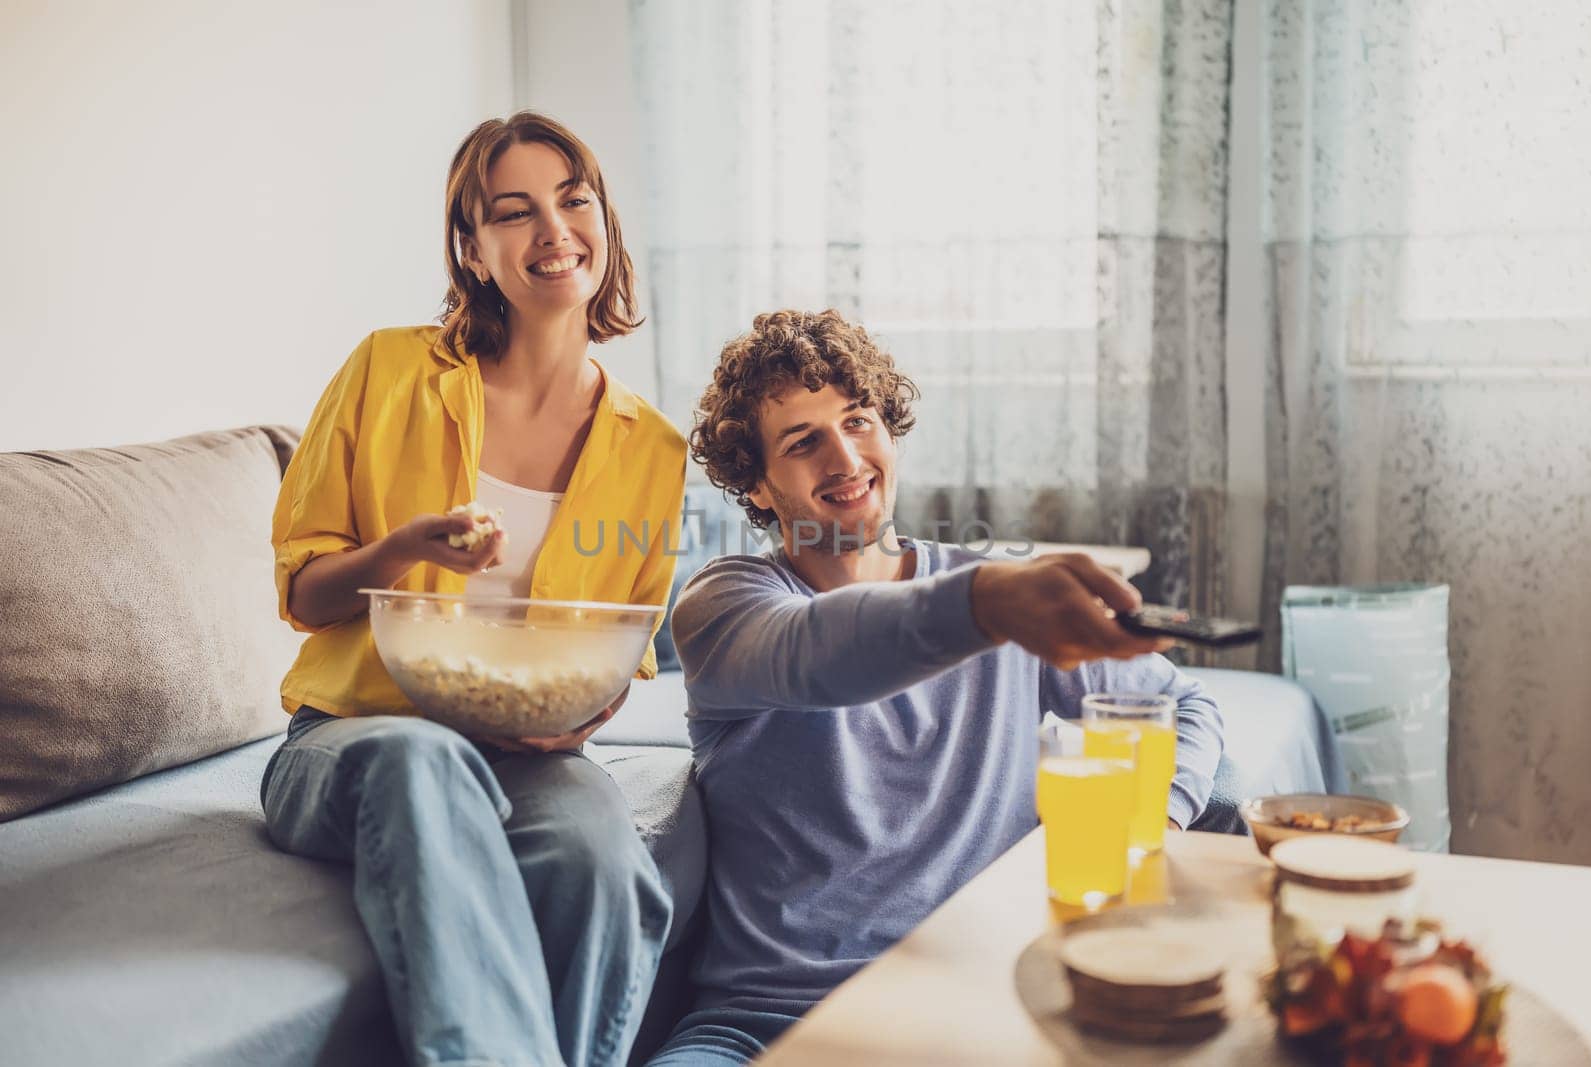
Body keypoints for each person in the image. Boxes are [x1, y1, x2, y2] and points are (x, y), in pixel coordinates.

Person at [647, 309, 1225, 1065]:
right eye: (803, 441)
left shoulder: (999, 594)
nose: (845, 456)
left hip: (976, 1007)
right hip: (767, 1022)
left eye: (859, 421)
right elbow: (824, 654)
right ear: (756, 486)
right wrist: (986, 605)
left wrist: (1157, 823)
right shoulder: (723, 607)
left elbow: (1182, 703)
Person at [263, 112, 686, 1067]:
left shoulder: (652, 448)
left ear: (604, 221)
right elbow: (302, 588)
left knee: (602, 855)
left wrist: (576, 721)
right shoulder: (388, 369)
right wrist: (397, 552)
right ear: (472, 245)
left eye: (573, 200)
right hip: (351, 736)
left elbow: (621, 646)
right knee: (421, 762)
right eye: (514, 211)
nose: (554, 230)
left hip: (524, 756)